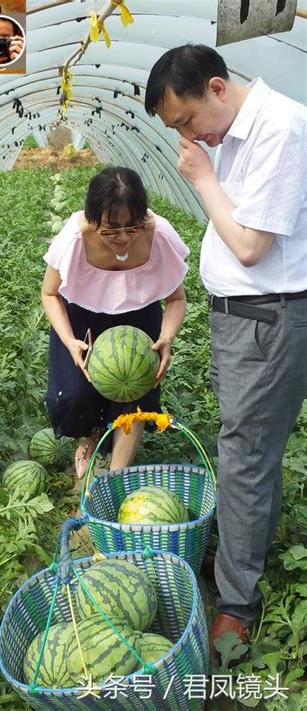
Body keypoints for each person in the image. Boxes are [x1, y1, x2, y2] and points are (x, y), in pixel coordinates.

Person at [144, 44, 307, 659]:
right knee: (248, 448)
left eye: (187, 120)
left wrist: (202, 178)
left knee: (243, 454)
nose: (190, 137)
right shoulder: (234, 133)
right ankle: (245, 548)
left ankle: (238, 601)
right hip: (243, 321)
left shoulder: (280, 128)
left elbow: (250, 248)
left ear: (216, 87)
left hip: (268, 321)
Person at [41, 167, 188, 478]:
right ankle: (89, 436)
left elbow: (177, 299)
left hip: (140, 317)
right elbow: (50, 294)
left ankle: (115, 477)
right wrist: (69, 340)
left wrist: (166, 338)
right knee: (78, 393)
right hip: (83, 317)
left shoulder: (158, 234)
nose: (122, 238)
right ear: (93, 219)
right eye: (110, 229)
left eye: (132, 227)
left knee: (134, 389)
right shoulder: (74, 238)